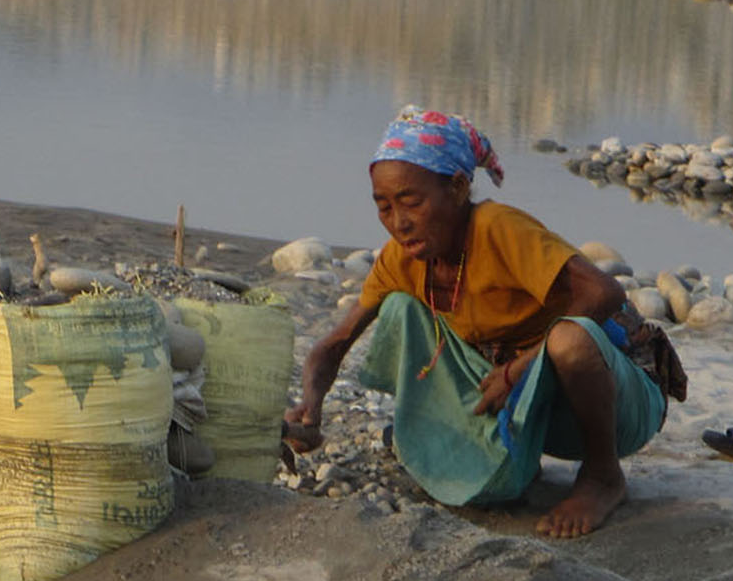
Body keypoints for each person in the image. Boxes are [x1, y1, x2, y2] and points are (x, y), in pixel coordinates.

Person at [283, 107, 676, 538]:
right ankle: (483, 449)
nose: (399, 222)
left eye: (412, 201)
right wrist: (312, 404)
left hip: (618, 397)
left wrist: (519, 367)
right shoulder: (404, 258)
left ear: (457, 187)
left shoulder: (496, 228)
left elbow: (605, 293)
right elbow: (336, 343)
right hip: (530, 399)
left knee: (569, 340)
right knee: (400, 310)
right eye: (384, 207)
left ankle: (603, 476)